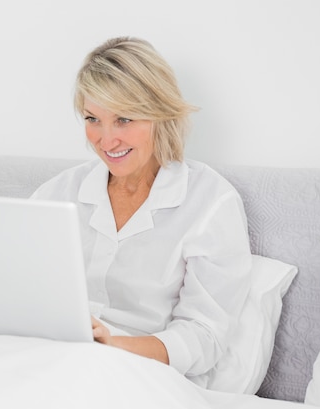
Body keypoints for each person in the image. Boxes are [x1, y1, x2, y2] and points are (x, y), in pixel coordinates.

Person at [31, 37, 252, 379]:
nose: (106, 140)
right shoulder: (58, 193)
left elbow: (204, 336)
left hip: (137, 373)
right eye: (93, 119)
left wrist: (112, 345)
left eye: (124, 119)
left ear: (159, 114)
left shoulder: (210, 201)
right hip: (48, 358)